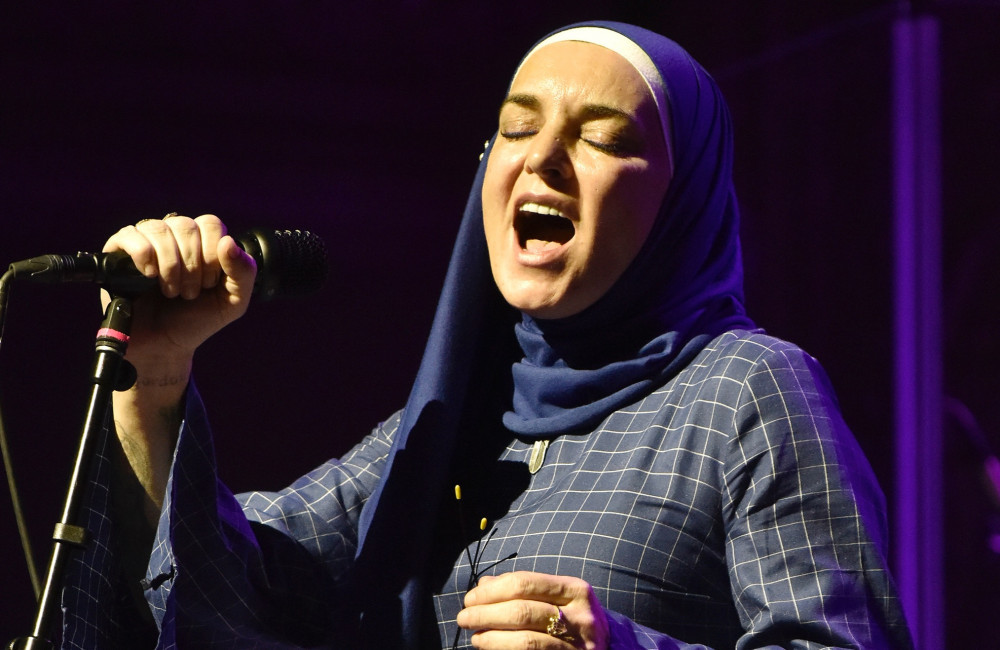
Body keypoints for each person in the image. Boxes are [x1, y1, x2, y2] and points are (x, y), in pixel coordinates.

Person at [62, 21, 914, 649]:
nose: (543, 157)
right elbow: (242, 589)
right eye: (516, 127)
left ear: (680, 203)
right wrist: (160, 376)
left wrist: (624, 648)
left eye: (604, 138)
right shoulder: (454, 419)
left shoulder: (746, 390)